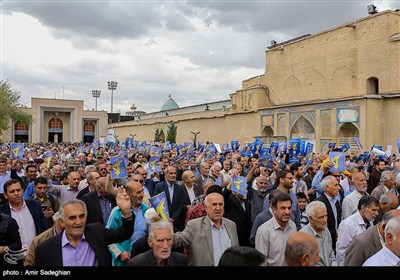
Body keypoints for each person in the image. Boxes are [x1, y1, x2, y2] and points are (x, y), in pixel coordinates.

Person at [34, 186, 135, 266]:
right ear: (62, 221)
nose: (78, 222)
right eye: (72, 218)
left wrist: (125, 211)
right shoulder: (45, 249)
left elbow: (124, 233)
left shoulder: (97, 232)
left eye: (82, 216)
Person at [173, 192, 239, 266]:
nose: (218, 208)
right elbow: (178, 239)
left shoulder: (231, 225)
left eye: (220, 204)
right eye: (214, 204)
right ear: (205, 207)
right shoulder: (194, 226)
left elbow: (236, 253)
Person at [255, 193, 297, 266]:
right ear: (274, 210)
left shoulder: (293, 226)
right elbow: (261, 262)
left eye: (289, 208)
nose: (287, 212)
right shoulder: (264, 231)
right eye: (283, 208)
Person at [300, 201, 337, 266]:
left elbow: (331, 254)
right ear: (310, 219)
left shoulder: (326, 230)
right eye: (321, 217)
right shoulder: (303, 236)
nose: (325, 220)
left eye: (326, 216)